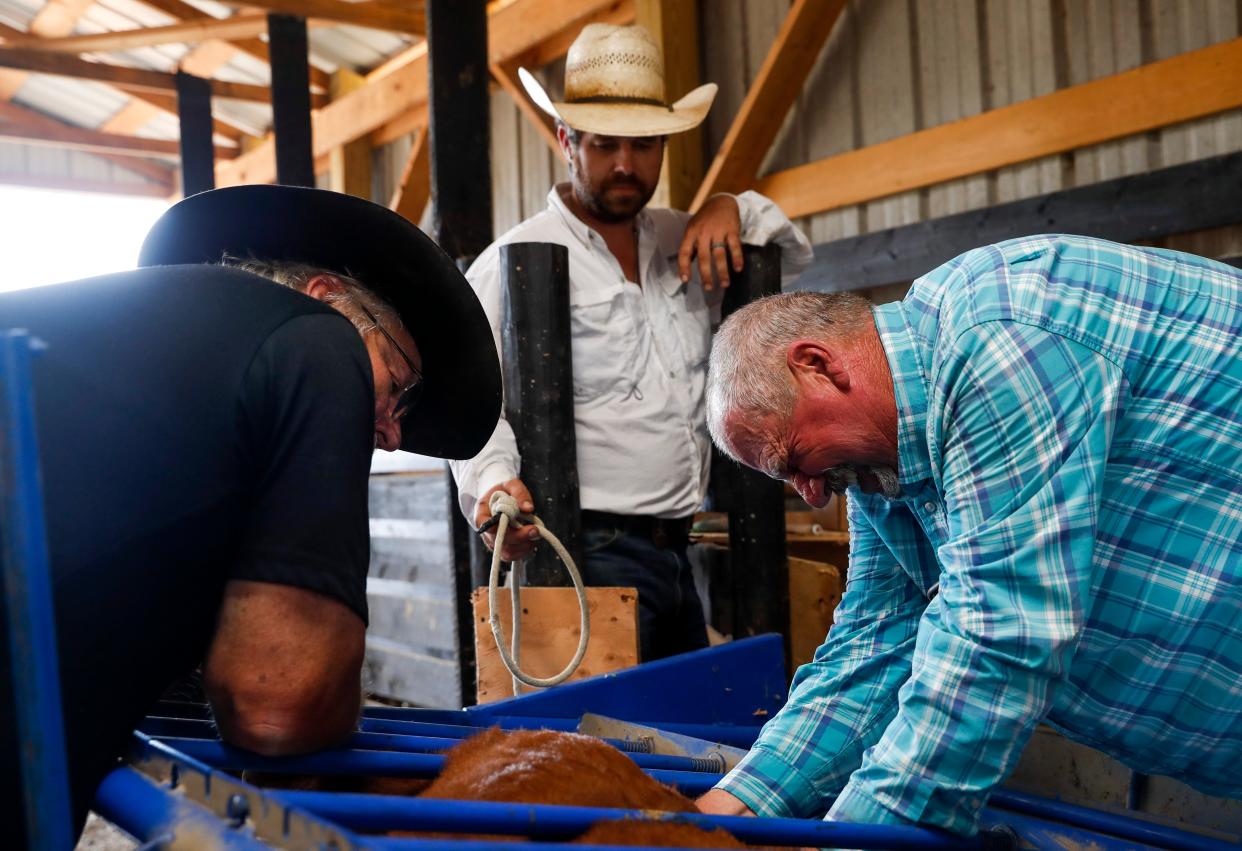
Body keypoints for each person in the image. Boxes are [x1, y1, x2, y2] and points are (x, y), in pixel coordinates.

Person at [0, 185, 501, 844]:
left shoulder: (154, 368)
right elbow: (277, 700)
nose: (391, 434)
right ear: (325, 298)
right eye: (398, 386)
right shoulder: (319, 340)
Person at [696, 234, 1242, 833]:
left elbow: (1001, 635)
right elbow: (872, 649)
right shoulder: (886, 474)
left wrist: (858, 840)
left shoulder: (1000, 335)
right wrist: (726, 815)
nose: (813, 493)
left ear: (819, 366)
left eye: (794, 459)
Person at [450, 23, 813, 661]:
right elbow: (474, 400)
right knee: (606, 740)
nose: (625, 163)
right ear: (566, 142)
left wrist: (730, 204)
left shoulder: (687, 236)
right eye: (604, 144)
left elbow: (792, 248)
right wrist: (493, 483)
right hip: (582, 551)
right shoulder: (508, 263)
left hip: (681, 546)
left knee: (678, 739)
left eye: (644, 145)